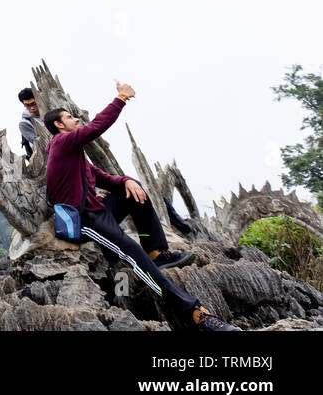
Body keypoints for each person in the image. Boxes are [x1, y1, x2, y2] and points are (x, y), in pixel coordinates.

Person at [43, 82, 236, 331]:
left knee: (135, 192)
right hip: (86, 219)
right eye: (70, 117)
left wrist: (128, 181)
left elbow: (107, 179)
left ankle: (156, 250)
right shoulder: (62, 144)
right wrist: (121, 98)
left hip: (99, 209)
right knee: (133, 254)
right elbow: (97, 126)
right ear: (59, 125)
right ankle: (195, 313)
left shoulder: (76, 156)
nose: (77, 119)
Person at [17, 88, 40, 160]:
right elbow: (38, 143)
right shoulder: (24, 123)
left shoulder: (53, 111)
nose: (32, 108)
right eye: (27, 105)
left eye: (34, 104)